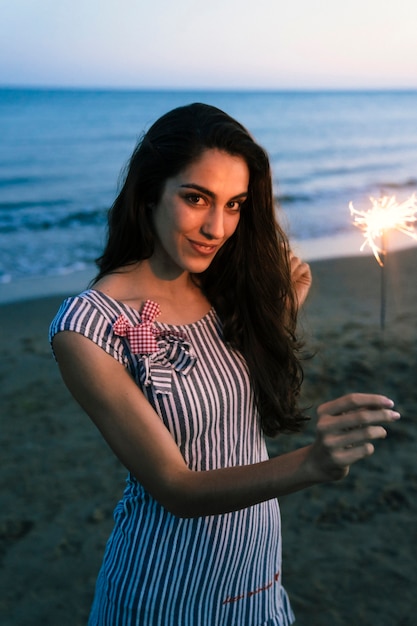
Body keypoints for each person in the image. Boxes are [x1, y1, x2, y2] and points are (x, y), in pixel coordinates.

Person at [49, 103, 400, 626]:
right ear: (150, 193)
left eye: (234, 204)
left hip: (257, 577)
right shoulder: (88, 326)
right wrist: (311, 463)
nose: (217, 227)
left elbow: (231, 389)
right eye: (196, 199)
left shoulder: (223, 288)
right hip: (163, 592)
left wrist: (280, 310)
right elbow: (176, 487)